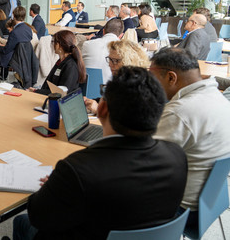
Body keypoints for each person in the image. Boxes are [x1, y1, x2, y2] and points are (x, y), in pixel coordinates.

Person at [14, 67, 187, 240]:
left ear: (102, 108)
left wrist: (54, 184)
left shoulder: (77, 170)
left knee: (22, 222)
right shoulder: (177, 156)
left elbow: (38, 216)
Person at [150, 47, 230, 227]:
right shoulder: (217, 98)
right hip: (211, 201)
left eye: (153, 79)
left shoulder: (180, 112)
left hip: (182, 212)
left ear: (171, 77)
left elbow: (142, 161)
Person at [84, 39, 150, 114]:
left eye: (116, 61)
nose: (110, 64)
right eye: (110, 59)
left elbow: (126, 116)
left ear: (130, 61)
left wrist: (99, 109)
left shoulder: (138, 87)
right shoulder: (120, 81)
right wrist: (89, 101)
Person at [30, 30, 86, 95]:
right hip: (50, 97)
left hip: (61, 102)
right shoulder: (60, 61)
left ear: (59, 45)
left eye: (53, 42)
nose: (52, 45)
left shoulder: (70, 66)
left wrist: (37, 92)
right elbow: (49, 84)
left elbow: (62, 93)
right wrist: (37, 91)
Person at [0, 6, 32, 78]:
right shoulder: (28, 29)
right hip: (23, 58)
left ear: (14, 16)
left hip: (10, 58)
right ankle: (1, 76)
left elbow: (6, 50)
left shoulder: (14, 32)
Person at [81, 18, 123, 84]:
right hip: (112, 89)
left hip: (87, 87)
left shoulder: (87, 44)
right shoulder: (124, 49)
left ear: (103, 32)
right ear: (121, 35)